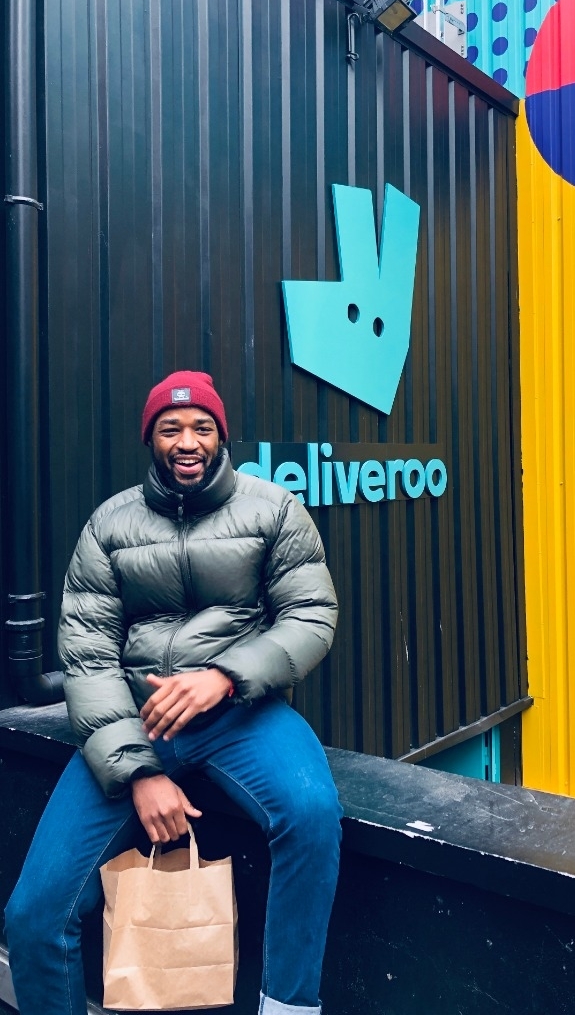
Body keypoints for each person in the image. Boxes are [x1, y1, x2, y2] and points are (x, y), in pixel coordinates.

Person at [5, 371, 342, 1015]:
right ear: (151, 439)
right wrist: (138, 772)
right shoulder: (109, 524)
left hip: (242, 714)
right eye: (171, 428)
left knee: (311, 812)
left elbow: (310, 615)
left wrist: (224, 676)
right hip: (136, 723)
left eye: (201, 427)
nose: (188, 441)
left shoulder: (274, 509)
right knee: (34, 916)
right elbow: (88, 654)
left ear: (221, 436)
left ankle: (288, 1006)